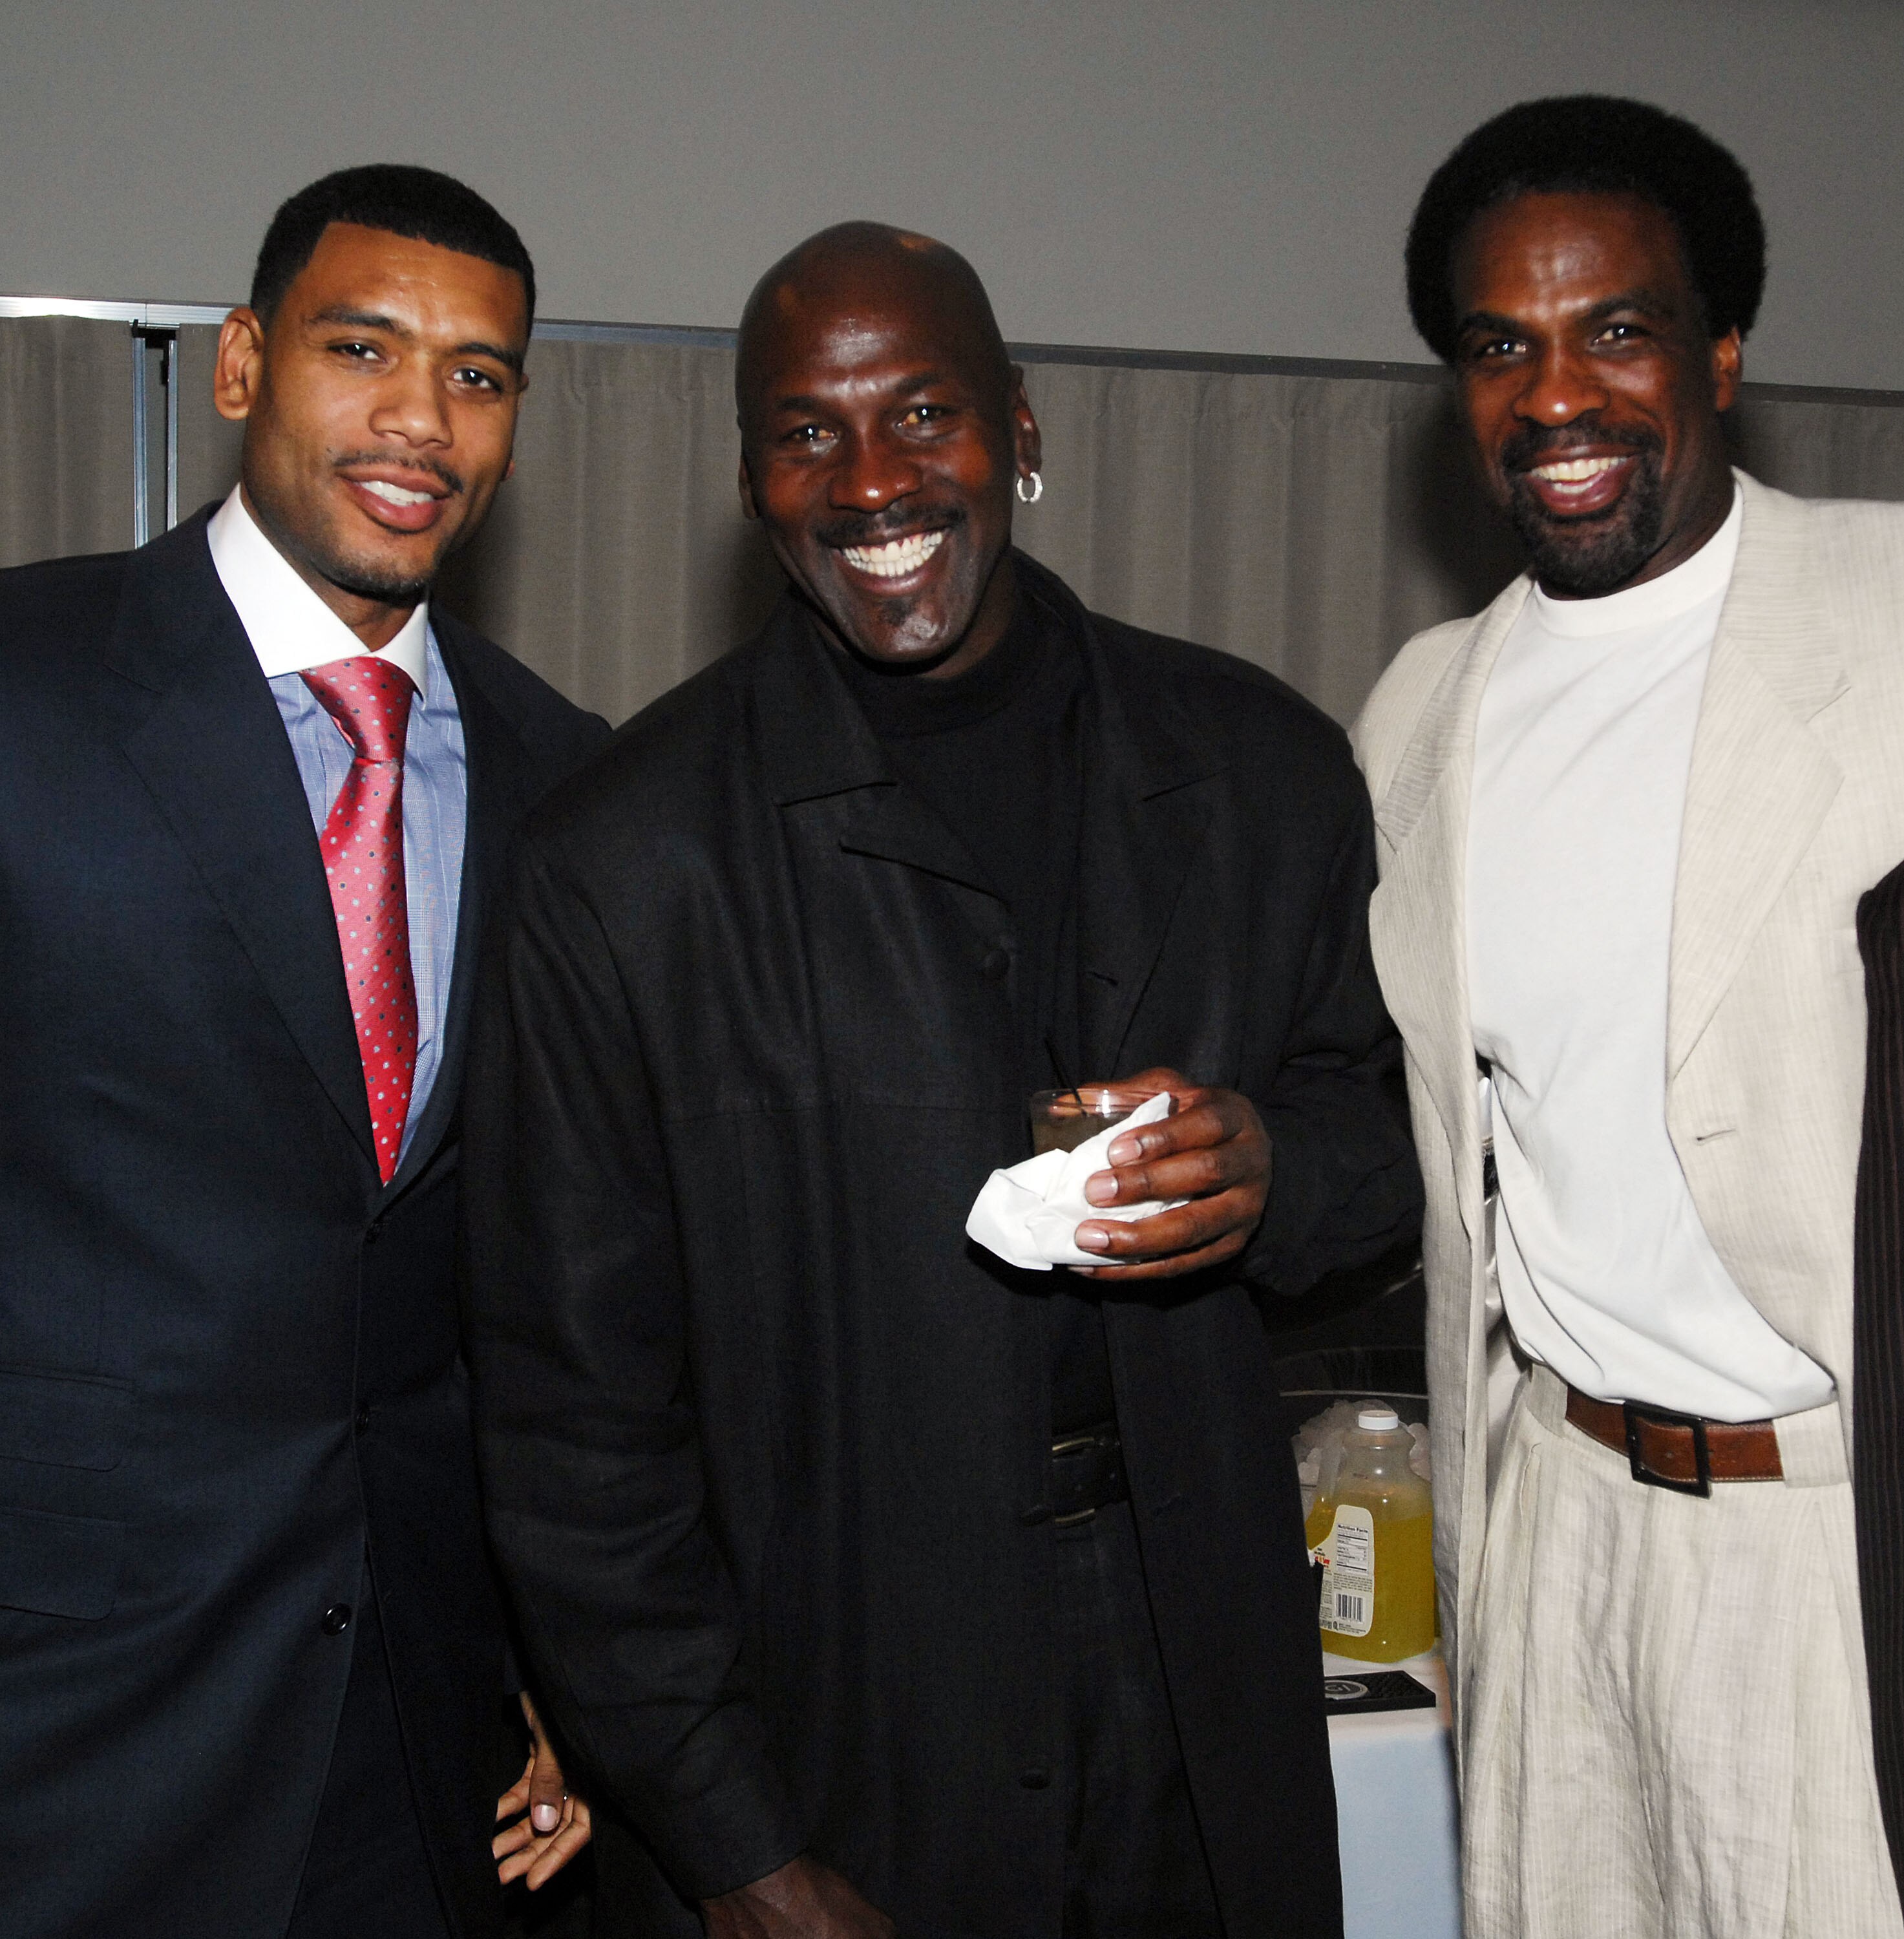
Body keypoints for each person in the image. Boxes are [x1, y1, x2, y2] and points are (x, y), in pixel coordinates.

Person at [461, 220, 1420, 1938]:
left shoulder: (1262, 768)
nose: (872, 482)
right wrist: (731, 1846)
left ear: (1022, 432)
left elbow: (1387, 1155)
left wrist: (1275, 1168)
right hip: (836, 1673)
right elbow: (572, 1436)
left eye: (924, 414)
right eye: (805, 432)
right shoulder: (622, 862)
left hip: (1197, 1634)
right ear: (749, 481)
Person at [0, 166, 608, 1939]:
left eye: (481, 375)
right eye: (365, 349)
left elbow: (555, 1288)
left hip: (421, 1745)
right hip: (59, 1724)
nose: (422, 418)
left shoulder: (572, 778)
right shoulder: (24, 683)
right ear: (247, 364)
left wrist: (580, 1675)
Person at [1353, 94, 1904, 1938]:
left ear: (1722, 352)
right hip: (1557, 1520)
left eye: (1616, 329)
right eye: (1499, 346)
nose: (1555, 394)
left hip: (1828, 1551)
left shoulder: (1891, 614)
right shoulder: (1420, 713)